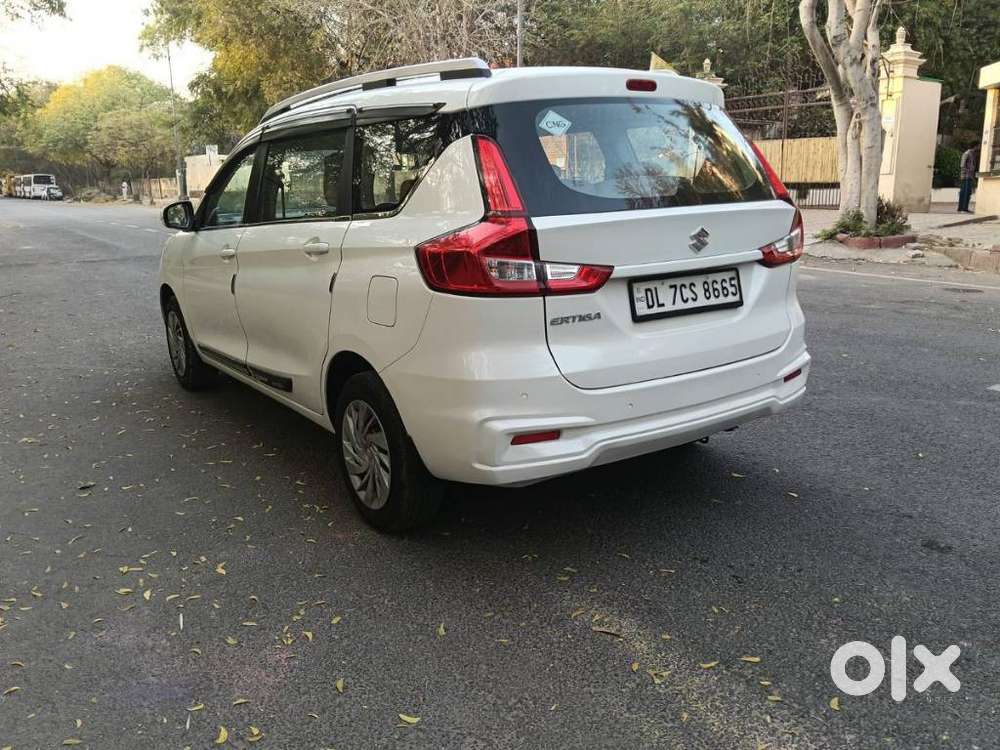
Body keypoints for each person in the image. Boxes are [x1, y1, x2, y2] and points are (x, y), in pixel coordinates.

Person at [958, 144, 980, 213]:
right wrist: (967, 172)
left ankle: (963, 208)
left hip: (970, 176)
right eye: (978, 146)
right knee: (965, 192)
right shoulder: (967, 153)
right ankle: (962, 209)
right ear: (975, 146)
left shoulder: (972, 154)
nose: (979, 147)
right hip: (966, 176)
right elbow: (962, 165)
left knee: (967, 193)